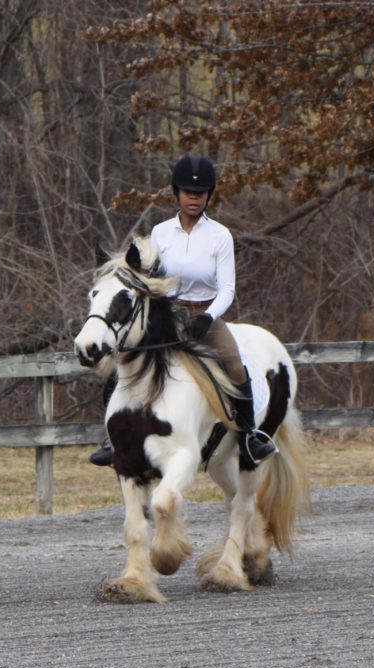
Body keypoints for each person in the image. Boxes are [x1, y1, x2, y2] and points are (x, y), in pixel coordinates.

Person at [89, 154, 278, 467]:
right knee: (121, 363)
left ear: (208, 195)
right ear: (177, 193)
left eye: (201, 193)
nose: (195, 198)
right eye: (189, 192)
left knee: (234, 364)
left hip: (206, 314)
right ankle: (111, 439)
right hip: (167, 316)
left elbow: (228, 288)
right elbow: (150, 279)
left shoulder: (220, 236)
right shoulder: (161, 233)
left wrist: (207, 317)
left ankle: (249, 436)